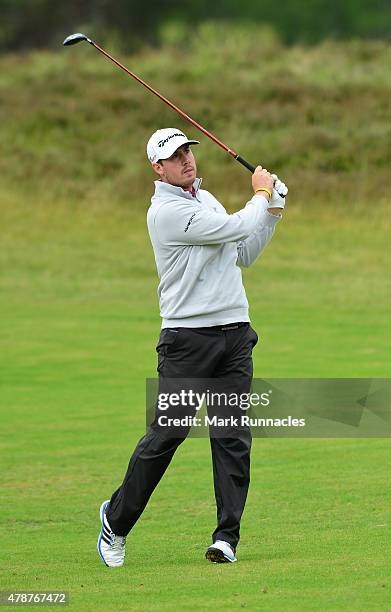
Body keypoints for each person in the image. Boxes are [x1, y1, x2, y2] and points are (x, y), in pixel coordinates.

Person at [97, 128, 288, 567]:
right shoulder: (164, 213)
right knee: (168, 434)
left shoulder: (207, 200)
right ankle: (116, 520)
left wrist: (273, 210)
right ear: (157, 168)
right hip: (187, 341)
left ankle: (226, 538)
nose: (186, 160)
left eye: (188, 151)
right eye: (174, 155)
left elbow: (243, 251)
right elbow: (235, 225)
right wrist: (261, 195)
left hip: (235, 333)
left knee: (232, 436)